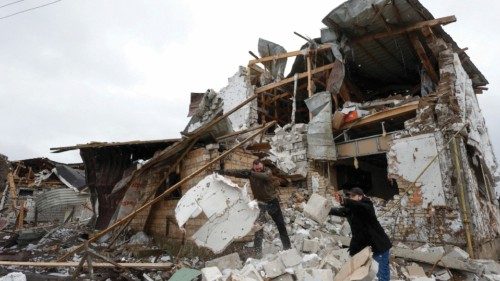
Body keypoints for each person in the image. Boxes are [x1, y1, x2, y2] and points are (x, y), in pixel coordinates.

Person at [216, 159, 291, 256]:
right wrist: (223, 172)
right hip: (260, 204)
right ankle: (258, 253)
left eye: (260, 168)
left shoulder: (267, 172)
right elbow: (237, 172)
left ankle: (287, 248)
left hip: (273, 202)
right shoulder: (251, 173)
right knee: (258, 229)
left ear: (262, 166)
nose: (258, 170)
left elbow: (265, 177)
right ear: (253, 167)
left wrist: (251, 173)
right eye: (256, 169)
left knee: (280, 225)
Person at [329, 187, 392, 281]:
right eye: (350, 196)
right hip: (367, 248)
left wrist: (345, 201)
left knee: (381, 275)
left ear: (360, 197)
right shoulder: (352, 209)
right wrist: (326, 209)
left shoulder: (367, 206)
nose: (351, 198)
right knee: (368, 275)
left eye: (353, 196)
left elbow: (360, 207)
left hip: (379, 246)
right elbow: (340, 211)